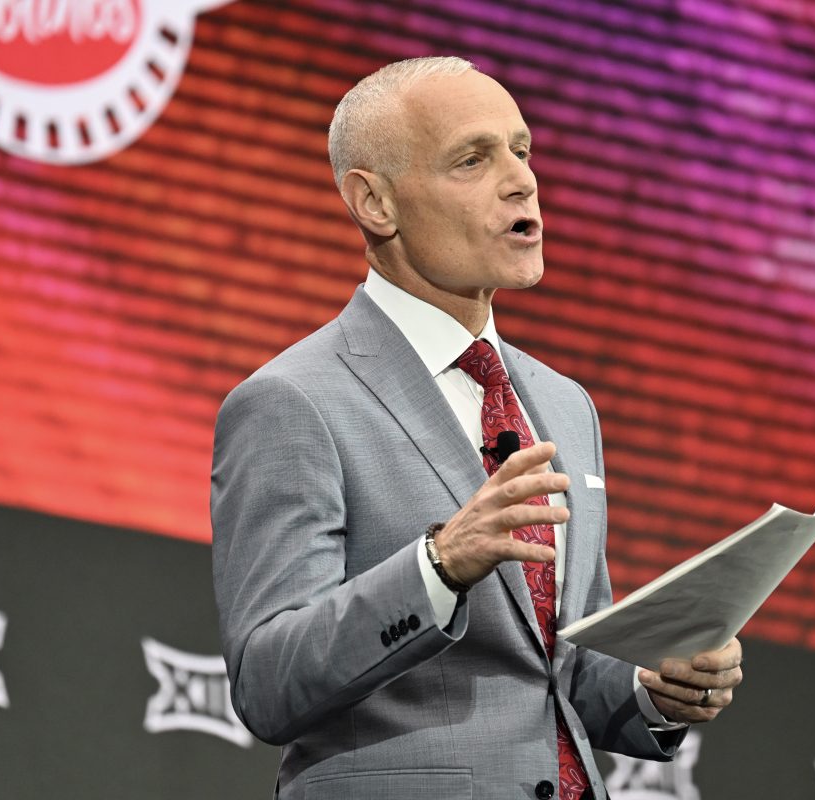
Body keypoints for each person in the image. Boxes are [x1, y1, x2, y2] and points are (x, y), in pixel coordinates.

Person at [211, 56, 743, 800]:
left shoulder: (564, 404)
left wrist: (658, 686)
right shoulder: (293, 401)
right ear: (375, 203)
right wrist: (438, 566)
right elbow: (269, 681)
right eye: (472, 159)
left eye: (521, 150)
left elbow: (564, 670)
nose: (521, 179)